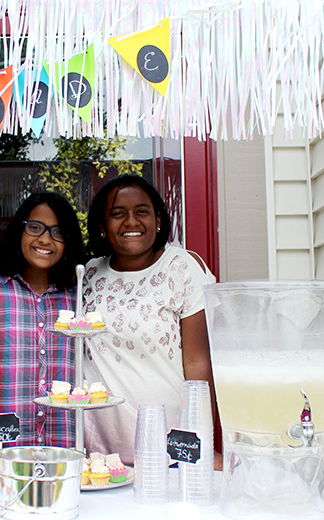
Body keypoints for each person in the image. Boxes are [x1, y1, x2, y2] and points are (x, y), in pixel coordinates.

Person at [81, 174, 217, 466]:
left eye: (141, 211)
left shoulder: (181, 267)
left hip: (170, 445)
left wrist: (201, 440)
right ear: (102, 227)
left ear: (158, 220)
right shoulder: (88, 275)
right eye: (118, 214)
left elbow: (198, 363)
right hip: (101, 452)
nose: (131, 221)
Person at [0, 191, 85, 452]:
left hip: (65, 452)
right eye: (35, 228)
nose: (45, 239)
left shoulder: (78, 298)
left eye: (58, 232)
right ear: (18, 231)